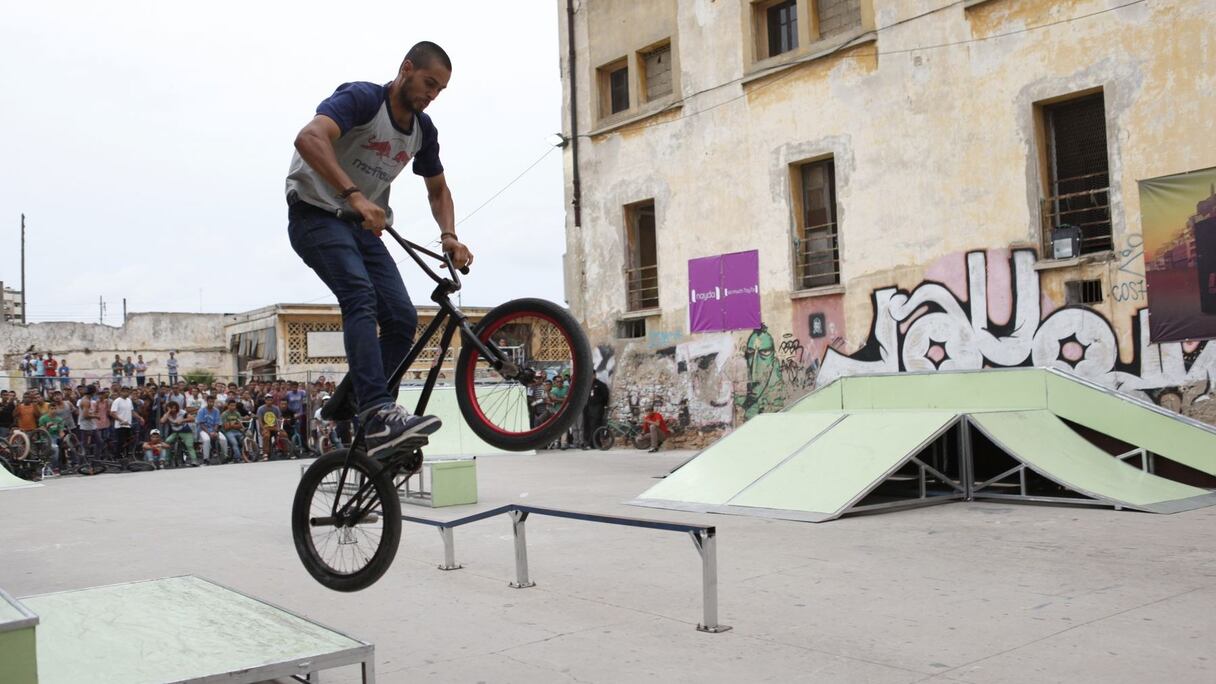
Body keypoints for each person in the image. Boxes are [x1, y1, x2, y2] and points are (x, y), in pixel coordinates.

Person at [286, 41, 472, 457]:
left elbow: (438, 189)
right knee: (360, 296)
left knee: (403, 318)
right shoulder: (363, 99)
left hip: (362, 228)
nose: (431, 95)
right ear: (406, 68)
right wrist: (354, 195)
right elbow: (308, 138)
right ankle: (376, 413)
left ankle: (353, 400)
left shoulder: (423, 131)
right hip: (316, 215)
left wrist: (449, 235)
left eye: (440, 90)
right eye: (428, 83)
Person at [160, 401, 198, 466]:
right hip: (175, 432)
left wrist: (182, 420)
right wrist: (168, 412)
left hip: (185, 431)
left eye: (174, 408)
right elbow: (162, 421)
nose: (173, 410)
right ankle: (167, 460)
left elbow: (192, 418)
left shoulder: (182, 412)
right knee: (167, 442)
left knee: (189, 445)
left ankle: (194, 460)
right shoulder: (167, 414)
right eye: (171, 408)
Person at [582, 376, 610, 449]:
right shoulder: (586, 385)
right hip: (587, 407)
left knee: (595, 425)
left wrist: (601, 405)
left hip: (597, 408)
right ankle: (587, 442)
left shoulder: (600, 385)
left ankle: (594, 443)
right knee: (587, 425)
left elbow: (605, 396)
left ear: (594, 375)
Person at [196, 395, 224, 465]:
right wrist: (209, 432)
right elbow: (201, 424)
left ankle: (224, 457)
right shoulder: (201, 410)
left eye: (212, 401)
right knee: (206, 440)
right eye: (210, 401)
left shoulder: (216, 411)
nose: (211, 403)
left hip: (213, 429)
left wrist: (214, 431)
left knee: (223, 439)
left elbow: (217, 423)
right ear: (207, 402)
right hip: (203, 430)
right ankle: (206, 459)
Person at [110, 386, 135, 456]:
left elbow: (132, 411)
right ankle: (117, 457)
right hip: (120, 425)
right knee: (120, 442)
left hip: (128, 425)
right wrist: (121, 420)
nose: (127, 393)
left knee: (128, 442)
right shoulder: (117, 401)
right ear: (121, 392)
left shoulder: (129, 400)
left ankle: (126, 456)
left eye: (128, 391)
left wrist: (140, 418)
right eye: (125, 391)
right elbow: (112, 413)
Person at [256, 395, 283, 461]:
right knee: (266, 436)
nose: (269, 402)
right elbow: (260, 421)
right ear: (265, 401)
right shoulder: (260, 409)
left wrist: (279, 427)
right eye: (268, 400)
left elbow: (279, 419)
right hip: (265, 427)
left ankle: (285, 451)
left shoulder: (276, 408)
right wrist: (263, 429)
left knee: (283, 434)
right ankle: (265, 453)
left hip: (274, 427)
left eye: (271, 400)